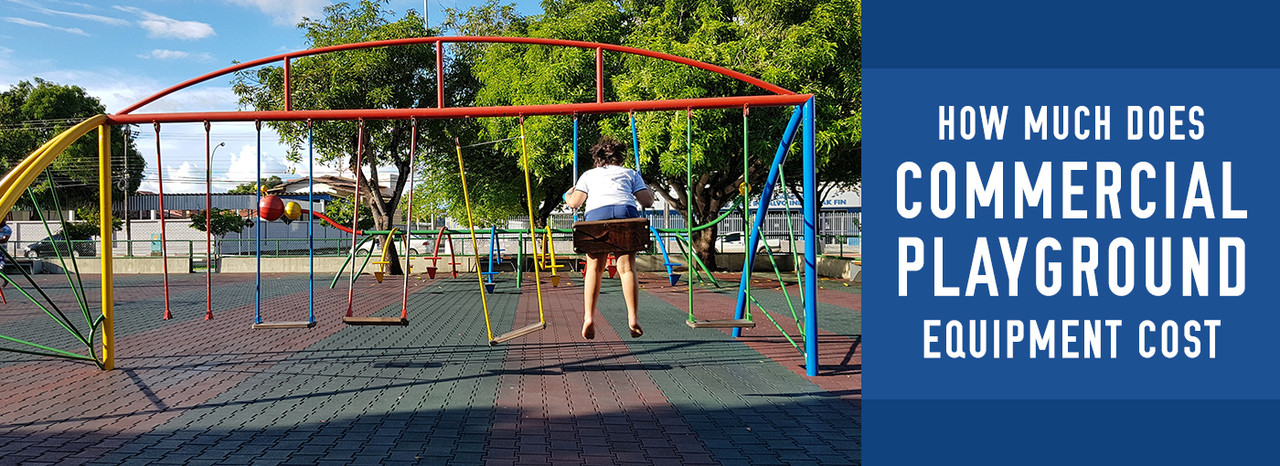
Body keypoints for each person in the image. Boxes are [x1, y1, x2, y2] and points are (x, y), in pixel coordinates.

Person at [565, 136, 655, 340]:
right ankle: (633, 317)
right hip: (626, 216)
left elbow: (574, 203)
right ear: (620, 158)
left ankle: (588, 317)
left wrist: (566, 195)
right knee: (626, 268)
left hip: (596, 218)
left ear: (597, 159)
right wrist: (648, 188)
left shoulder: (588, 175)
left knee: (594, 269)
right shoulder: (631, 174)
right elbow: (647, 201)